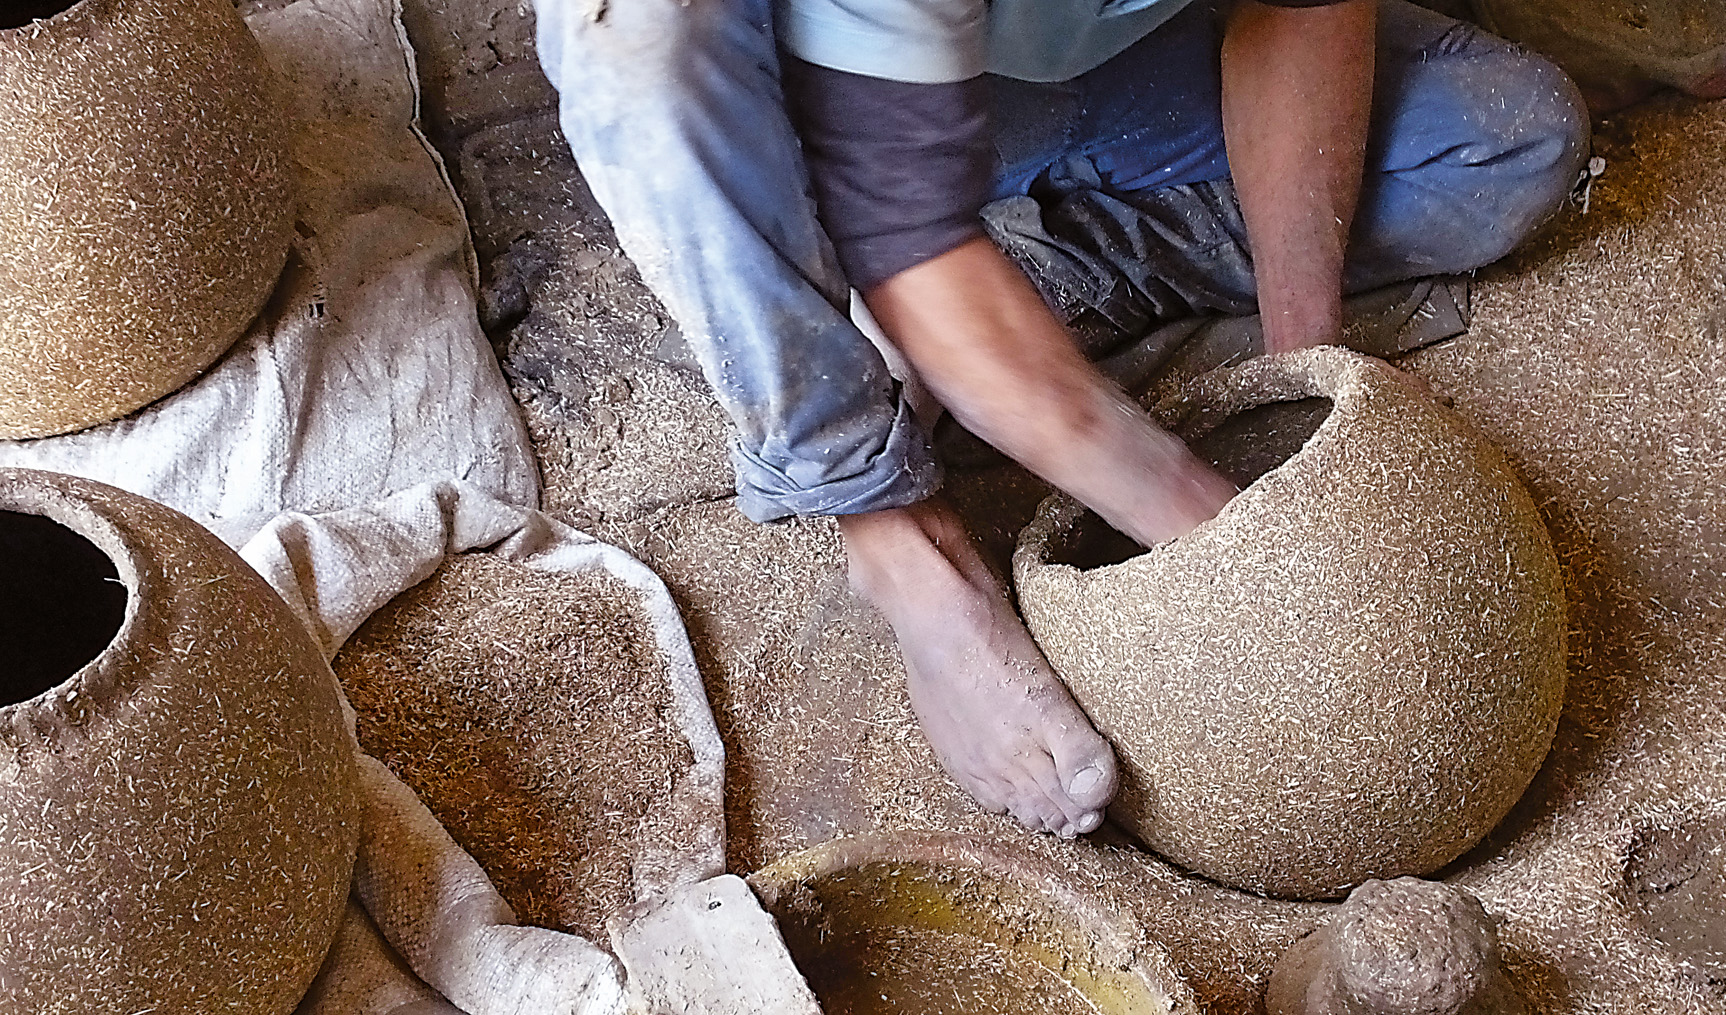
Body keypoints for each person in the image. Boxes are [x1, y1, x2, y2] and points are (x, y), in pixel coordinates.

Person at [534, 0, 1588, 838]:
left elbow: (1301, 15)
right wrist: (1198, 514)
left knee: (1509, 141)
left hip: (1034, 73)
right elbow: (903, 221)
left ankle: (999, 297)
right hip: (773, 91)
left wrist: (1299, 371)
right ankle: (902, 544)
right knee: (637, 33)